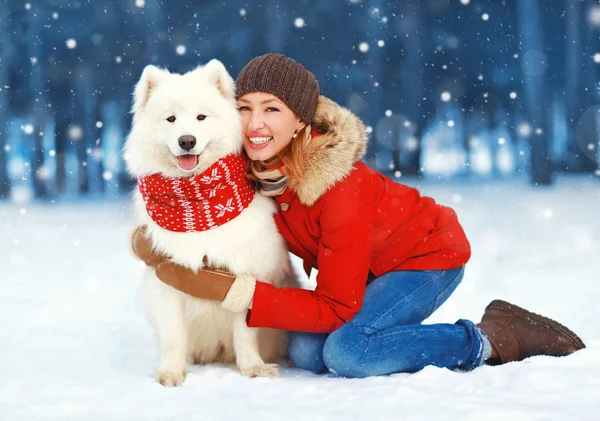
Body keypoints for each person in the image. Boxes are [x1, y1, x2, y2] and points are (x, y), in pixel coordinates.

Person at [131, 54, 585, 378]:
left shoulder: (337, 187)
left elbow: (334, 306)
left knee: (351, 352)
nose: (255, 124)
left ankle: (492, 337)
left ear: (301, 120)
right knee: (308, 355)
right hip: (361, 270)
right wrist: (149, 241)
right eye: (245, 109)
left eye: (272, 110)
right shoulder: (250, 171)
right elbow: (196, 211)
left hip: (426, 258)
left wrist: (239, 292)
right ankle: (389, 325)